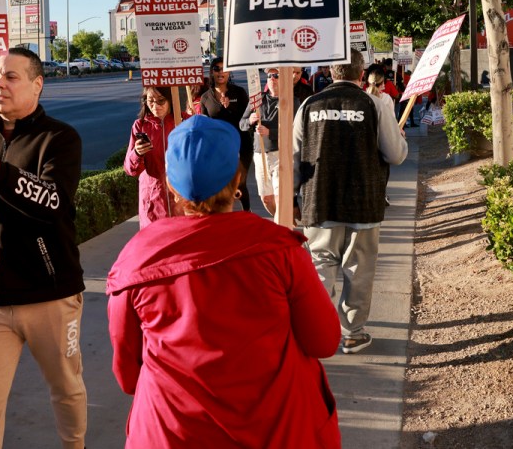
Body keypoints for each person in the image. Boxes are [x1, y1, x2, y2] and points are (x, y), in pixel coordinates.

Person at [107, 115, 342, 448]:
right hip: (278, 429)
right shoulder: (279, 249)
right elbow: (324, 341)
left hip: (169, 434)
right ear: (238, 181)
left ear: (172, 188)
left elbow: (128, 376)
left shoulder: (136, 260)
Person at [0, 47, 87, 449]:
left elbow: (55, 203)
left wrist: (2, 175)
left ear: (37, 84)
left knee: (66, 389)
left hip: (50, 293)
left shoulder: (60, 138)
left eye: (11, 76)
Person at [293, 50, 408, 354]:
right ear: (361, 74)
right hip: (363, 201)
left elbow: (294, 156)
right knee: (358, 269)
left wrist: (293, 197)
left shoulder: (309, 105)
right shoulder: (374, 104)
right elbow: (395, 154)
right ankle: (353, 333)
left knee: (320, 265)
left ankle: (315, 329)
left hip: (319, 200)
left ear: (331, 73)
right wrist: (400, 139)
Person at [124, 86, 188, 228]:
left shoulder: (185, 121)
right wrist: (137, 153)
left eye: (161, 101)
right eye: (150, 101)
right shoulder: (140, 125)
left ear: (171, 100)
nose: (155, 106)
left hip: (181, 194)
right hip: (153, 197)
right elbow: (130, 169)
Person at [240, 66, 300, 216]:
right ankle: (281, 220)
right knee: (266, 198)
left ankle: (281, 228)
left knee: (280, 198)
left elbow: (295, 130)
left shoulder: (291, 101)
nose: (272, 79)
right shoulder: (257, 99)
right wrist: (250, 120)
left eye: (276, 76)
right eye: (269, 76)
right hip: (260, 155)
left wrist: (270, 133)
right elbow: (242, 124)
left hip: (281, 154)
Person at [199, 57, 252, 211]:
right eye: (217, 69)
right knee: (221, 183)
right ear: (212, 72)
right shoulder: (205, 98)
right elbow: (205, 125)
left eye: (224, 69)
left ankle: (246, 214)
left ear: (229, 73)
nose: (220, 72)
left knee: (239, 182)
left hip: (241, 145)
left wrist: (230, 108)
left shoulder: (239, 92)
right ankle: (224, 215)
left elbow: (246, 120)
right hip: (218, 147)